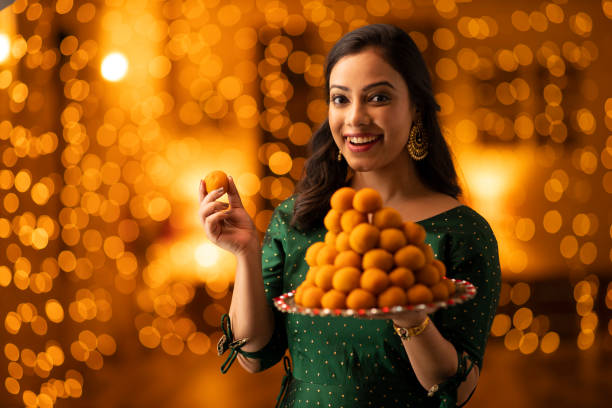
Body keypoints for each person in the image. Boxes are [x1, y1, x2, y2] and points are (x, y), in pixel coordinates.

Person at [199, 23, 501, 408]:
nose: (355, 118)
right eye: (340, 99)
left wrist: (412, 320)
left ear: (417, 108)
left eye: (377, 97)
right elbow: (254, 356)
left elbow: (456, 391)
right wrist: (245, 253)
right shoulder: (298, 219)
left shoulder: (462, 233)